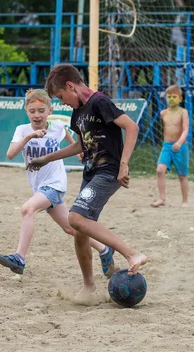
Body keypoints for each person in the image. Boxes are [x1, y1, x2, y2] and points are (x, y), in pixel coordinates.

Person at [27, 64, 148, 301]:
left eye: (61, 96)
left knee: (75, 218)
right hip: (91, 173)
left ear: (71, 86)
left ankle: (132, 254)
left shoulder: (99, 102)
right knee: (79, 230)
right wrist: (46, 159)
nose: (62, 102)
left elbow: (131, 127)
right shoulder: (78, 112)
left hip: (108, 170)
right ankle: (88, 286)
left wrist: (124, 164)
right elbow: (82, 145)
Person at [0, 89, 116, 276]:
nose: (37, 115)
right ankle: (104, 249)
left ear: (50, 110)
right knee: (70, 228)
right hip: (39, 187)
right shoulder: (22, 130)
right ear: (26, 111)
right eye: (33, 111)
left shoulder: (58, 126)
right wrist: (29, 137)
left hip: (55, 185)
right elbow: (10, 154)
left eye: (41, 110)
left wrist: (78, 152)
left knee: (27, 209)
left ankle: (19, 257)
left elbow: (72, 140)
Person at [151, 85, 190, 208]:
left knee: (182, 175)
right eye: (169, 97)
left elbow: (185, 129)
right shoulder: (163, 113)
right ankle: (162, 198)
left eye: (174, 97)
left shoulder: (183, 112)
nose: (171, 99)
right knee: (160, 170)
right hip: (167, 146)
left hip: (181, 147)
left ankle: (184, 201)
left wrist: (179, 142)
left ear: (180, 98)